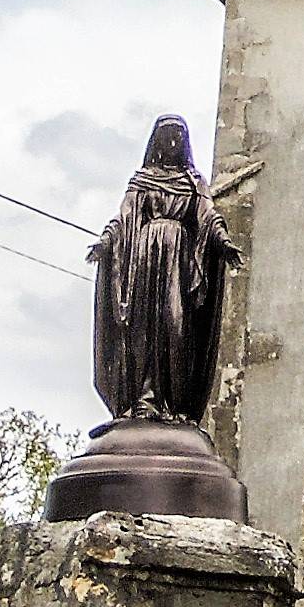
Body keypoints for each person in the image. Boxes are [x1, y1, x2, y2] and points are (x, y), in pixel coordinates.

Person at [89, 116, 240, 428]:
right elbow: (124, 216)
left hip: (179, 262)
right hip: (145, 260)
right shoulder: (142, 180)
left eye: (177, 137)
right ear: (156, 141)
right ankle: (143, 399)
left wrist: (223, 243)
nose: (171, 143)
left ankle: (175, 403)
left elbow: (208, 216)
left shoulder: (192, 182)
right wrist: (105, 243)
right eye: (166, 136)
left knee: (176, 324)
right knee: (143, 328)